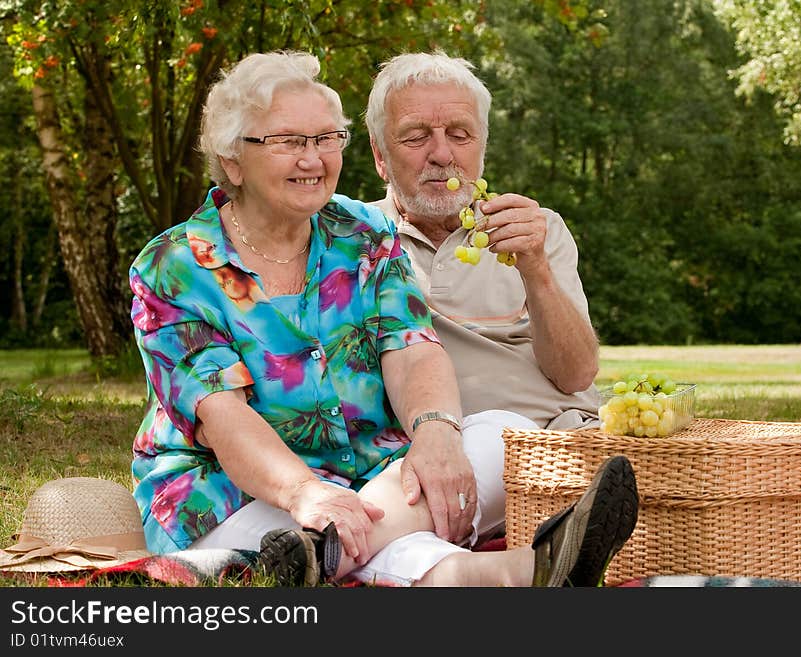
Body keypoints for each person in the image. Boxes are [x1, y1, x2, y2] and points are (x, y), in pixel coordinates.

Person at [129, 50, 638, 587]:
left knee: (500, 433)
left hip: (372, 473)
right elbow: (223, 419)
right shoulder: (174, 267)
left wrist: (437, 435)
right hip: (237, 488)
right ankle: (507, 573)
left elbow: (412, 348)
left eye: (326, 139)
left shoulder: (365, 234)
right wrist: (306, 493)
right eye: (289, 142)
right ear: (233, 159)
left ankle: (317, 559)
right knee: (321, 529)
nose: (314, 158)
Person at [366, 51, 603, 431]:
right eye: (416, 137)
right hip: (434, 444)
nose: (442, 155)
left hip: (554, 439)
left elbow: (576, 375)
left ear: (483, 147)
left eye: (460, 135)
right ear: (380, 155)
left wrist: (536, 269)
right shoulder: (354, 236)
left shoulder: (536, 231)